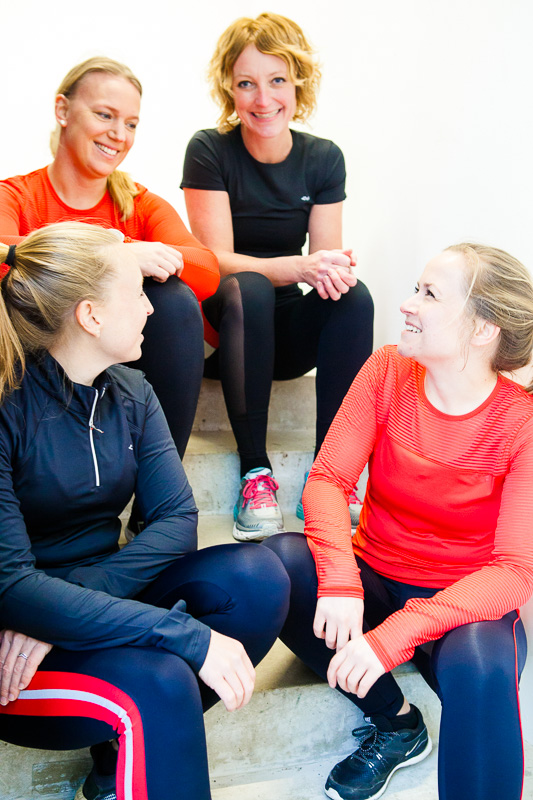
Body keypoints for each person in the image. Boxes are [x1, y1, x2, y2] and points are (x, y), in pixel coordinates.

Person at [0, 223, 290, 800]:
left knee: (257, 578)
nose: (151, 311)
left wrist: (61, 599)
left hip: (75, 607)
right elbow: (9, 588)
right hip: (13, 647)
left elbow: (178, 525)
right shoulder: (9, 405)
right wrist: (179, 633)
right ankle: (135, 737)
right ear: (91, 316)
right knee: (161, 681)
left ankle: (124, 760)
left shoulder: (132, 392)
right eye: (137, 293)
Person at [264, 243, 533, 800]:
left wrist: (392, 639)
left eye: (429, 294)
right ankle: (397, 723)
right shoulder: (387, 369)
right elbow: (327, 482)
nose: (408, 304)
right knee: (280, 567)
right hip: (377, 577)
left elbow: (513, 571)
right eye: (416, 288)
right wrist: (339, 579)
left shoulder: (521, 423)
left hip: (463, 608)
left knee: (483, 664)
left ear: (483, 329)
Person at [181, 12, 374, 542]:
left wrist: (334, 269)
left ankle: (331, 478)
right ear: (230, 88)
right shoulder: (209, 149)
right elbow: (212, 260)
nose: (262, 99)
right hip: (232, 329)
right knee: (252, 287)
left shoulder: (323, 158)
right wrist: (293, 267)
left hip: (285, 336)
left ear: (297, 83)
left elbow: (325, 261)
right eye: (247, 83)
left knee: (354, 299)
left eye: (276, 81)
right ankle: (255, 473)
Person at [0, 56, 219, 490]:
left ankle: (155, 497)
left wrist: (132, 250)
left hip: (114, 377)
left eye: (132, 123)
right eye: (105, 115)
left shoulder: (139, 203)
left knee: (175, 298)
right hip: (33, 372)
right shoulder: (18, 196)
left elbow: (207, 270)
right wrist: (115, 258)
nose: (119, 135)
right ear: (63, 111)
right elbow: (6, 256)